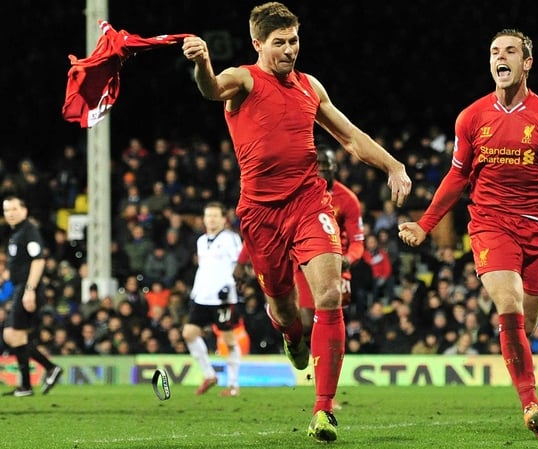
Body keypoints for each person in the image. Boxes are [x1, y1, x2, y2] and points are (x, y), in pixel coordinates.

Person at [182, 2, 411, 442]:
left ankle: (322, 410)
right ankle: (289, 332)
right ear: (258, 44)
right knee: (286, 309)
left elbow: (350, 137)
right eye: (280, 43)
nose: (290, 50)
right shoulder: (244, 79)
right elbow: (211, 89)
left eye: (294, 40)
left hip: (309, 204)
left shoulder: (310, 87)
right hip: (260, 215)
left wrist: (393, 165)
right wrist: (203, 63)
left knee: (328, 295)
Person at [398, 29, 538, 438]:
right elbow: (457, 176)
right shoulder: (471, 117)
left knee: (525, 325)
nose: (501, 57)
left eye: (510, 51)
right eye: (495, 51)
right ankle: (531, 403)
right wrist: (425, 224)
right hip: (490, 225)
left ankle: (522, 375)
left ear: (527, 63)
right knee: (508, 303)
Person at [295, 146, 364, 339]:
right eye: (318, 166)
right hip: (306, 263)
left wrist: (348, 260)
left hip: (336, 266)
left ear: (335, 167)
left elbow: (358, 241)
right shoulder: (302, 194)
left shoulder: (348, 200)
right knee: (307, 324)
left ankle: (329, 364)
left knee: (334, 322)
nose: (321, 170)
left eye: (326, 165)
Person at [2, 196, 63, 396]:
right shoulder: (17, 233)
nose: (10, 213)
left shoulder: (29, 231)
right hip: (20, 287)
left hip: (28, 288)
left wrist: (29, 290)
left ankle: (44, 372)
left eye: (13, 209)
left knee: (13, 334)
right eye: (6, 210)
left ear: (24, 210)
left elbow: (38, 261)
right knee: (15, 335)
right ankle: (29, 384)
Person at [182, 201, 244, 397]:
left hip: (223, 298)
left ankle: (233, 385)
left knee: (228, 340)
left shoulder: (231, 239)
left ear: (224, 219)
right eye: (208, 216)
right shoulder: (201, 241)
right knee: (189, 333)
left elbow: (239, 264)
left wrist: (230, 286)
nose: (211, 219)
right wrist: (195, 292)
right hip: (203, 296)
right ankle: (209, 375)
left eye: (215, 216)